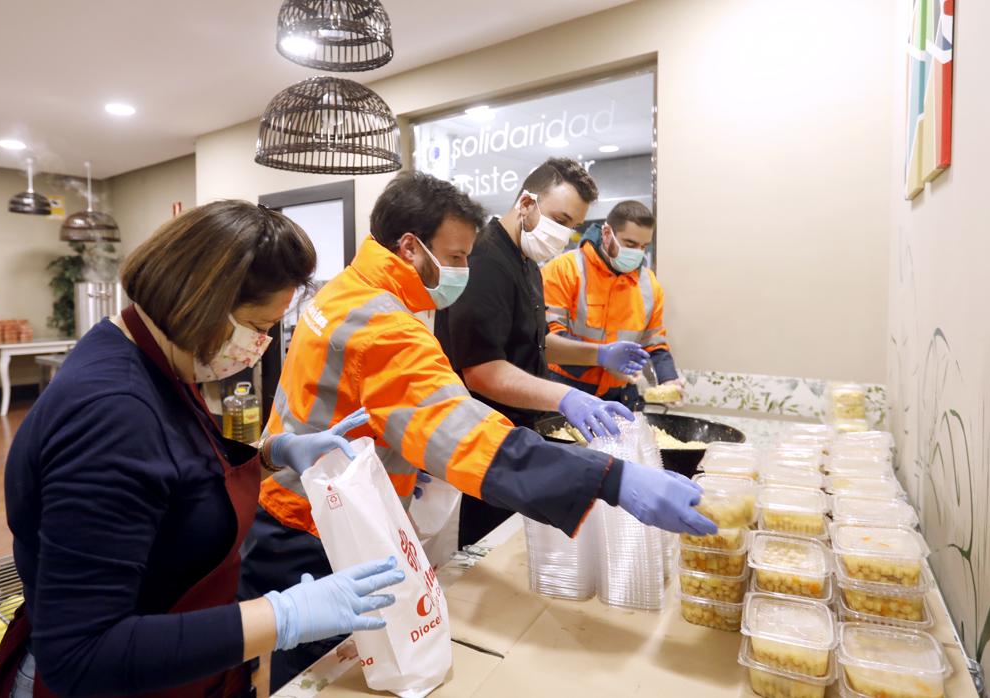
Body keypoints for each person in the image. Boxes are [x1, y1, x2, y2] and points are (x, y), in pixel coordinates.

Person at [242, 172, 716, 691]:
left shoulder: (352, 289)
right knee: (313, 675)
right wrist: (612, 479)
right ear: (410, 247)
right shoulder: (381, 323)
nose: (464, 269)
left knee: (307, 662)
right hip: (314, 527)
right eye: (458, 255)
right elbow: (466, 435)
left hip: (291, 502)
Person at [0, 202, 405, 698]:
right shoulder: (111, 415)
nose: (262, 343)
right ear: (201, 304)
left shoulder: (148, 352)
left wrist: (271, 456)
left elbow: (171, 481)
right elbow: (80, 654)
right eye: (260, 326)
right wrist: (282, 615)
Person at [434, 158, 649, 544]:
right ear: (527, 204)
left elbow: (533, 341)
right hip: (482, 441)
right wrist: (566, 396)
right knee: (481, 549)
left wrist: (598, 355)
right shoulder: (484, 261)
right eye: (560, 219)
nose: (565, 234)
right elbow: (483, 371)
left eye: (572, 225)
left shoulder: (527, 261)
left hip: (516, 435)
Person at [543, 200, 681, 409]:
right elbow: (548, 338)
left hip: (622, 396)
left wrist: (668, 379)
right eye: (630, 244)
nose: (637, 253)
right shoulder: (564, 270)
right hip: (567, 390)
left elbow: (655, 342)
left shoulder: (650, 285)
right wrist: (602, 359)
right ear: (607, 234)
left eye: (644, 246)